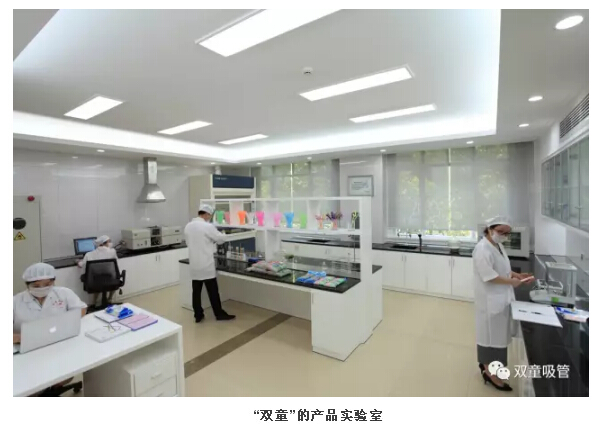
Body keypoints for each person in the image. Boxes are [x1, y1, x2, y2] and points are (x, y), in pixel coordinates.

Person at [473, 216, 534, 392]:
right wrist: (511, 282)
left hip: (500, 299)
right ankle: (490, 372)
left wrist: (516, 275)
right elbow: (489, 275)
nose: (504, 236)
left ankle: (490, 368)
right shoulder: (482, 249)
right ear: (489, 229)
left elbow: (502, 268)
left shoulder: (497, 246)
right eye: (500, 231)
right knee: (490, 337)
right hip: (489, 301)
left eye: (507, 233)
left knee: (497, 337)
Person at [14, 263, 87, 395]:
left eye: (47, 284)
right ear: (27, 285)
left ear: (54, 282)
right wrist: (17, 337)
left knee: (67, 370)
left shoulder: (63, 293)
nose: (42, 288)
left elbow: (81, 308)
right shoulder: (15, 302)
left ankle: (50, 388)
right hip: (28, 352)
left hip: (59, 346)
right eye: (36, 286)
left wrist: (67, 322)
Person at [184, 204, 235, 323]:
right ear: (206, 214)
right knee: (213, 292)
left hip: (194, 264)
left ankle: (198, 315)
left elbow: (189, 243)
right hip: (206, 264)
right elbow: (221, 239)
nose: (209, 218)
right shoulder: (207, 226)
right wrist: (224, 234)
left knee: (196, 292)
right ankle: (219, 314)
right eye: (210, 216)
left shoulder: (188, 226)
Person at [78, 235, 119, 306]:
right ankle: (109, 299)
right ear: (104, 243)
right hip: (111, 279)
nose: (110, 243)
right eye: (109, 241)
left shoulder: (89, 254)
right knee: (115, 278)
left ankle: (94, 302)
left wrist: (78, 262)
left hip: (95, 280)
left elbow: (81, 265)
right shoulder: (112, 252)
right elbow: (116, 261)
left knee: (97, 283)